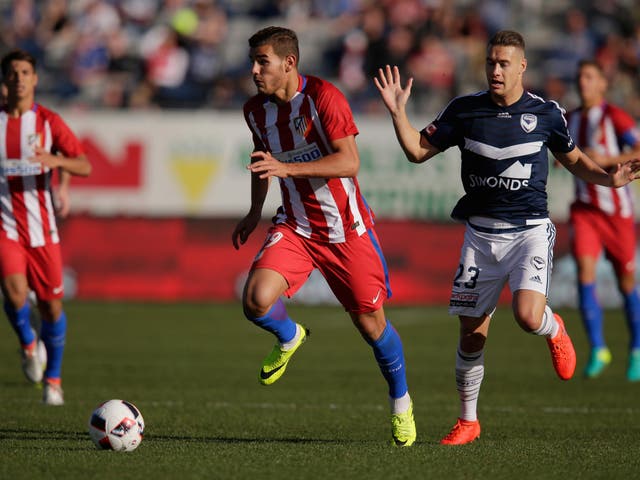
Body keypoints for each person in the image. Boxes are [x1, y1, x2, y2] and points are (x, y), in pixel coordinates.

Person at [374, 30, 640, 445]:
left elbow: (574, 161)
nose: (496, 70)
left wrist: (609, 179)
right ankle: (468, 421)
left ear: (521, 67)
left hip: (529, 232)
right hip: (480, 237)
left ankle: (553, 328)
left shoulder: (548, 114)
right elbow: (416, 151)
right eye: (490, 62)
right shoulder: (464, 110)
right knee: (470, 333)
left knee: (528, 315)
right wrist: (397, 113)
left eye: (504, 63)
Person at [232, 26, 416, 446]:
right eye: (253, 62)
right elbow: (264, 161)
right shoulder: (255, 111)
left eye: (263, 61)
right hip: (295, 227)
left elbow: (349, 162)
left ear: (288, 62)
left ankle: (401, 402)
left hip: (346, 231)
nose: (254, 70)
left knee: (372, 328)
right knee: (255, 300)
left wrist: (288, 169)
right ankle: (289, 335)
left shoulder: (324, 98)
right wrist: (253, 211)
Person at [0, 49, 91, 405]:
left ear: (35, 79)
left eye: (25, 72)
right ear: (5, 81)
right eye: (13, 72)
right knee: (15, 292)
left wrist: (59, 172)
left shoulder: (49, 122)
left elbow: (82, 164)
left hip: (42, 231)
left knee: (52, 308)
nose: (19, 78)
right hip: (6, 226)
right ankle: (27, 344)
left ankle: (53, 380)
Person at [566, 59, 640, 381]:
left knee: (626, 283)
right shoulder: (570, 119)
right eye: (580, 76)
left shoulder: (615, 116)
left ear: (602, 84)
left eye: (589, 77)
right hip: (585, 210)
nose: (583, 82)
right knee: (585, 271)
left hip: (617, 213)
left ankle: (636, 349)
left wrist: (609, 160)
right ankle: (598, 348)